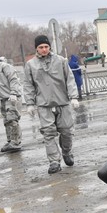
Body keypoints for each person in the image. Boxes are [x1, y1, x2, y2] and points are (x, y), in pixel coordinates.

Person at [23, 35, 78, 174]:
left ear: (50, 47)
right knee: (48, 134)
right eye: (41, 47)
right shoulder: (31, 65)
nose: (44, 49)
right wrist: (29, 103)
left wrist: (73, 97)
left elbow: (69, 79)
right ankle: (54, 161)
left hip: (62, 102)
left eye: (46, 47)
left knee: (66, 131)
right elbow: (28, 85)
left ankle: (66, 152)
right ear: (36, 48)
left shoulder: (60, 61)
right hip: (44, 104)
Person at [0, 49, 23, 153]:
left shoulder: (4, 66)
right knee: (6, 121)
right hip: (3, 99)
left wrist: (14, 93)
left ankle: (16, 142)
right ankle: (10, 140)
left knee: (12, 119)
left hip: (11, 97)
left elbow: (13, 79)